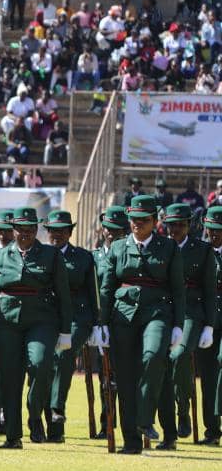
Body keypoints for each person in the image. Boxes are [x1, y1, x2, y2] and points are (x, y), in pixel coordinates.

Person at [98, 195, 185, 454]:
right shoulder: (118, 247)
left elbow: (178, 290)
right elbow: (107, 287)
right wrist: (101, 323)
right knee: (125, 378)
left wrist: (178, 324)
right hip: (123, 314)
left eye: (143, 220)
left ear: (155, 221)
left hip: (157, 311)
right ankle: (131, 442)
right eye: (133, 219)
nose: (137, 224)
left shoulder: (168, 248)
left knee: (153, 356)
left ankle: (145, 419)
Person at [0, 207, 72, 448]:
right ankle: (13, 436)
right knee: (10, 377)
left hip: (41, 319)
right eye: (21, 230)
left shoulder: (51, 256)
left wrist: (66, 331)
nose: (26, 234)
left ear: (37, 230)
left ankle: (34, 414)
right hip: (6, 320)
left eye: (31, 229)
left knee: (41, 364)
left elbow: (63, 295)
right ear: (13, 231)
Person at [159, 204, 215, 449]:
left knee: (180, 355)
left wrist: (210, 325)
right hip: (165, 310)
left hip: (192, 312)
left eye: (180, 224)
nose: (175, 230)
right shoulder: (160, 247)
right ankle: (167, 422)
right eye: (171, 225)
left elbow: (210, 291)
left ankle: (183, 408)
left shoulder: (202, 250)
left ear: (190, 225)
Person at [42, 210, 96, 444]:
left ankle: (57, 407)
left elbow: (93, 291)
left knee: (63, 354)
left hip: (77, 316)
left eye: (62, 230)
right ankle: (50, 428)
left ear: (70, 232)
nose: (57, 235)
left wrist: (98, 324)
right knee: (42, 363)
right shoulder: (39, 255)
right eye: (53, 230)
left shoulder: (84, 257)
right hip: (48, 316)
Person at [91, 205, 129, 439]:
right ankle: (106, 422)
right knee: (104, 377)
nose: (112, 233)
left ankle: (127, 423)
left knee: (122, 375)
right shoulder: (93, 258)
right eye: (108, 229)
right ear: (102, 229)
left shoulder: (126, 254)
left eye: (117, 230)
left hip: (124, 320)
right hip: (100, 324)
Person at [198, 206, 222, 446]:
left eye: (219, 230)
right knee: (207, 376)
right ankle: (212, 430)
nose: (214, 234)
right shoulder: (201, 252)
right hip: (207, 319)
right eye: (211, 229)